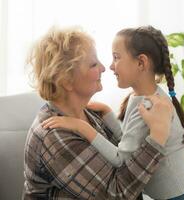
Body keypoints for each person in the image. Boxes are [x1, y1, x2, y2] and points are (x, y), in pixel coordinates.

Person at [42, 26, 184, 200]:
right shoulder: (138, 98)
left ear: (141, 63)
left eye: (116, 57)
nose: (109, 66)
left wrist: (81, 127)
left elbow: (120, 158)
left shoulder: (150, 106)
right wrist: (108, 114)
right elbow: (130, 143)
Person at [23, 26, 175, 200]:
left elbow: (128, 156)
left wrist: (178, 183)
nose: (104, 68)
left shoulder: (90, 114)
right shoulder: (54, 137)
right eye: (93, 64)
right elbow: (118, 194)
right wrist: (157, 138)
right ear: (66, 81)